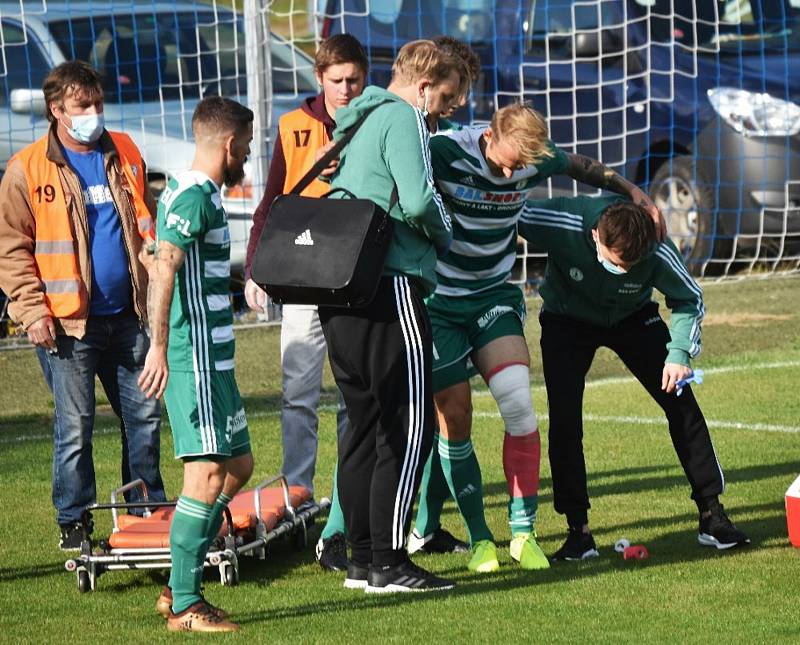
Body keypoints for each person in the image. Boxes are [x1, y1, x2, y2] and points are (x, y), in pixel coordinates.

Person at [408, 103, 664, 573]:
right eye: (506, 160)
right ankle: (480, 539)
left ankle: (522, 535)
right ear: (489, 134)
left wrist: (634, 191)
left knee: (520, 410)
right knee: (456, 415)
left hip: (493, 299)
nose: (511, 172)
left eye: (521, 166)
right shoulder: (443, 151)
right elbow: (396, 168)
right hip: (438, 303)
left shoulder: (533, 157)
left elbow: (582, 167)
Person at [518, 194, 750, 559]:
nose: (623, 271)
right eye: (616, 263)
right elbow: (508, 210)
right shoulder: (563, 221)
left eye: (631, 265)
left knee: (681, 402)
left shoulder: (655, 245)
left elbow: (689, 297)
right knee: (564, 420)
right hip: (567, 319)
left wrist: (678, 354)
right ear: (595, 235)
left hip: (633, 317)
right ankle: (578, 532)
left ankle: (712, 515)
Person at [0, 60, 166, 550]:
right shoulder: (27, 168)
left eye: (97, 104)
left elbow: (145, 226)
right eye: (82, 107)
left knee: (146, 419)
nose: (93, 113)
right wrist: (32, 313)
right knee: (75, 429)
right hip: (67, 326)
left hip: (129, 317)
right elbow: (11, 250)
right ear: (56, 111)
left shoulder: (126, 151)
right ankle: (74, 522)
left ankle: (144, 515)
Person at [318, 39, 465, 593]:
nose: (448, 109)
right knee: (408, 428)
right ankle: (389, 560)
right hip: (388, 285)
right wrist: (444, 236)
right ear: (424, 86)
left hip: (342, 290)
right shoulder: (402, 117)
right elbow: (420, 200)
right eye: (447, 96)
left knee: (364, 427)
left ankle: (361, 559)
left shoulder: (362, 116)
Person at [244, 34, 368, 572]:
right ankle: (299, 497)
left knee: (353, 394)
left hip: (356, 277)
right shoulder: (293, 125)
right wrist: (254, 266)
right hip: (301, 277)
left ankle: (350, 498)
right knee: (298, 391)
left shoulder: (378, 119)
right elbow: (273, 197)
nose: (345, 89)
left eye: (354, 80)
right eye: (336, 80)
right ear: (319, 78)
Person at [138, 96, 255, 632]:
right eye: (248, 148)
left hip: (218, 363)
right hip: (195, 361)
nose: (248, 159)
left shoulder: (199, 196)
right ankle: (185, 605)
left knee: (237, 468)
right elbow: (166, 267)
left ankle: (177, 585)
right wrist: (159, 346)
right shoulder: (192, 196)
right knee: (205, 474)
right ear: (229, 145)